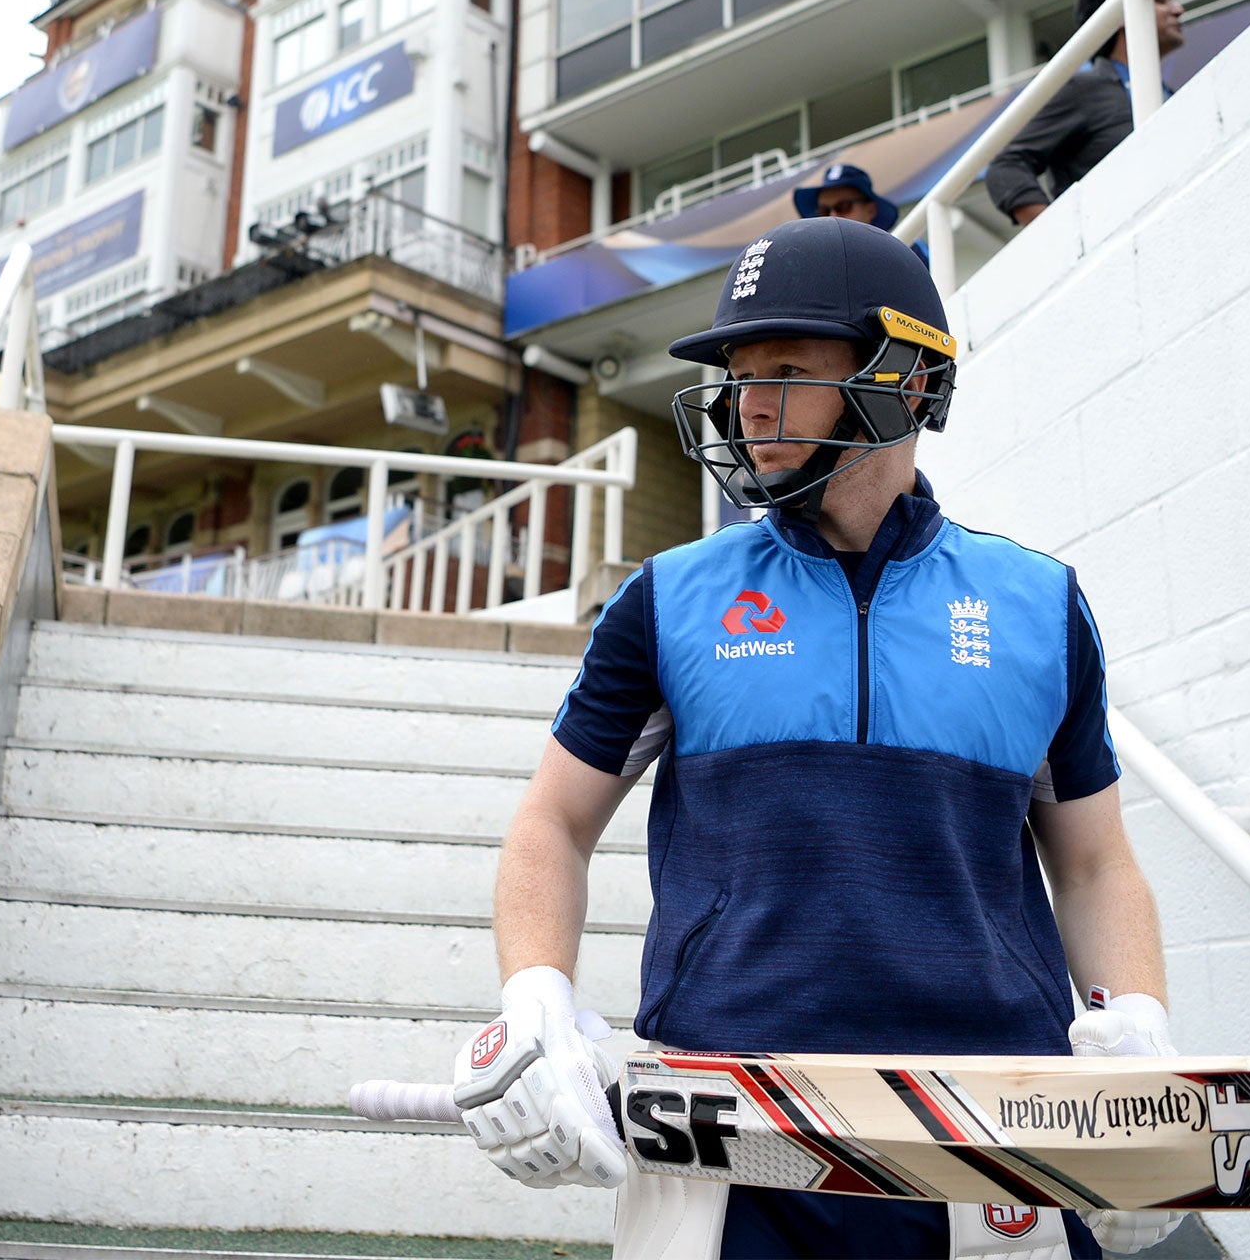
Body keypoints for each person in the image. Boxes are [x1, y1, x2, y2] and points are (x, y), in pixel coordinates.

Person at [453, 218, 1182, 1259]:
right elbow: (550, 825)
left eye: (787, 368)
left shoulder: (1037, 605)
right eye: (738, 371)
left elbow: (1096, 862)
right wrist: (535, 997)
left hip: (991, 1128)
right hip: (726, 1131)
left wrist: (1131, 1024)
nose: (748, 402)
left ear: (905, 380)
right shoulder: (666, 599)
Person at [986, 0, 1185, 227]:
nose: (1178, 10)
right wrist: (1060, 237)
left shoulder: (1170, 96)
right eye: (1160, 0)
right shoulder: (1084, 90)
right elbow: (1006, 169)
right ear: (1123, 13)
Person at [791, 162, 899, 230]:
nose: (832, 216)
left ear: (870, 210)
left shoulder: (907, 254)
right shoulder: (814, 263)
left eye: (842, 207)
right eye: (824, 211)